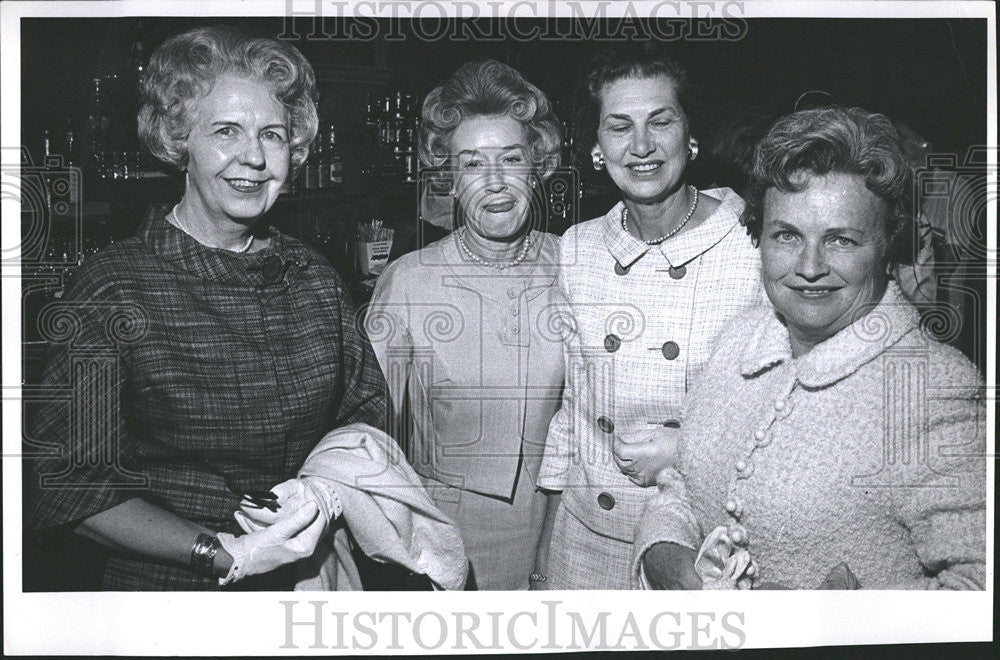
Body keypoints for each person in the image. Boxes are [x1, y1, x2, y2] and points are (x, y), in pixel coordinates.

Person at [23, 26, 387, 590]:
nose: (254, 157)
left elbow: (367, 415)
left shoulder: (314, 277)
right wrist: (228, 553)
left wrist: (325, 488)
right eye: (226, 131)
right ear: (178, 141)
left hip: (310, 580)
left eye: (272, 135)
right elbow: (69, 485)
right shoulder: (117, 286)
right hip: (171, 592)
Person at [632, 107, 986, 590]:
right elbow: (683, 484)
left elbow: (978, 588)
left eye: (841, 239)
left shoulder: (932, 388)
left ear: (887, 246)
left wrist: (834, 622)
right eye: (787, 235)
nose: (810, 266)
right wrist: (665, 557)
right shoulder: (739, 340)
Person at [535, 47, 763, 589]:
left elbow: (788, 413)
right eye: (619, 127)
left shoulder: (753, 244)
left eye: (660, 121)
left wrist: (689, 450)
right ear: (595, 147)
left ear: (690, 134)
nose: (641, 146)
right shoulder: (578, 249)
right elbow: (571, 412)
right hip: (584, 542)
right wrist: (544, 556)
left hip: (699, 549)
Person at [365, 59, 566, 590]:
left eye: (512, 159)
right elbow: (380, 443)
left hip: (568, 529)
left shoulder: (577, 265)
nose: (495, 183)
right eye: (473, 164)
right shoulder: (410, 283)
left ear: (538, 167)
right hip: (448, 537)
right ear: (449, 179)